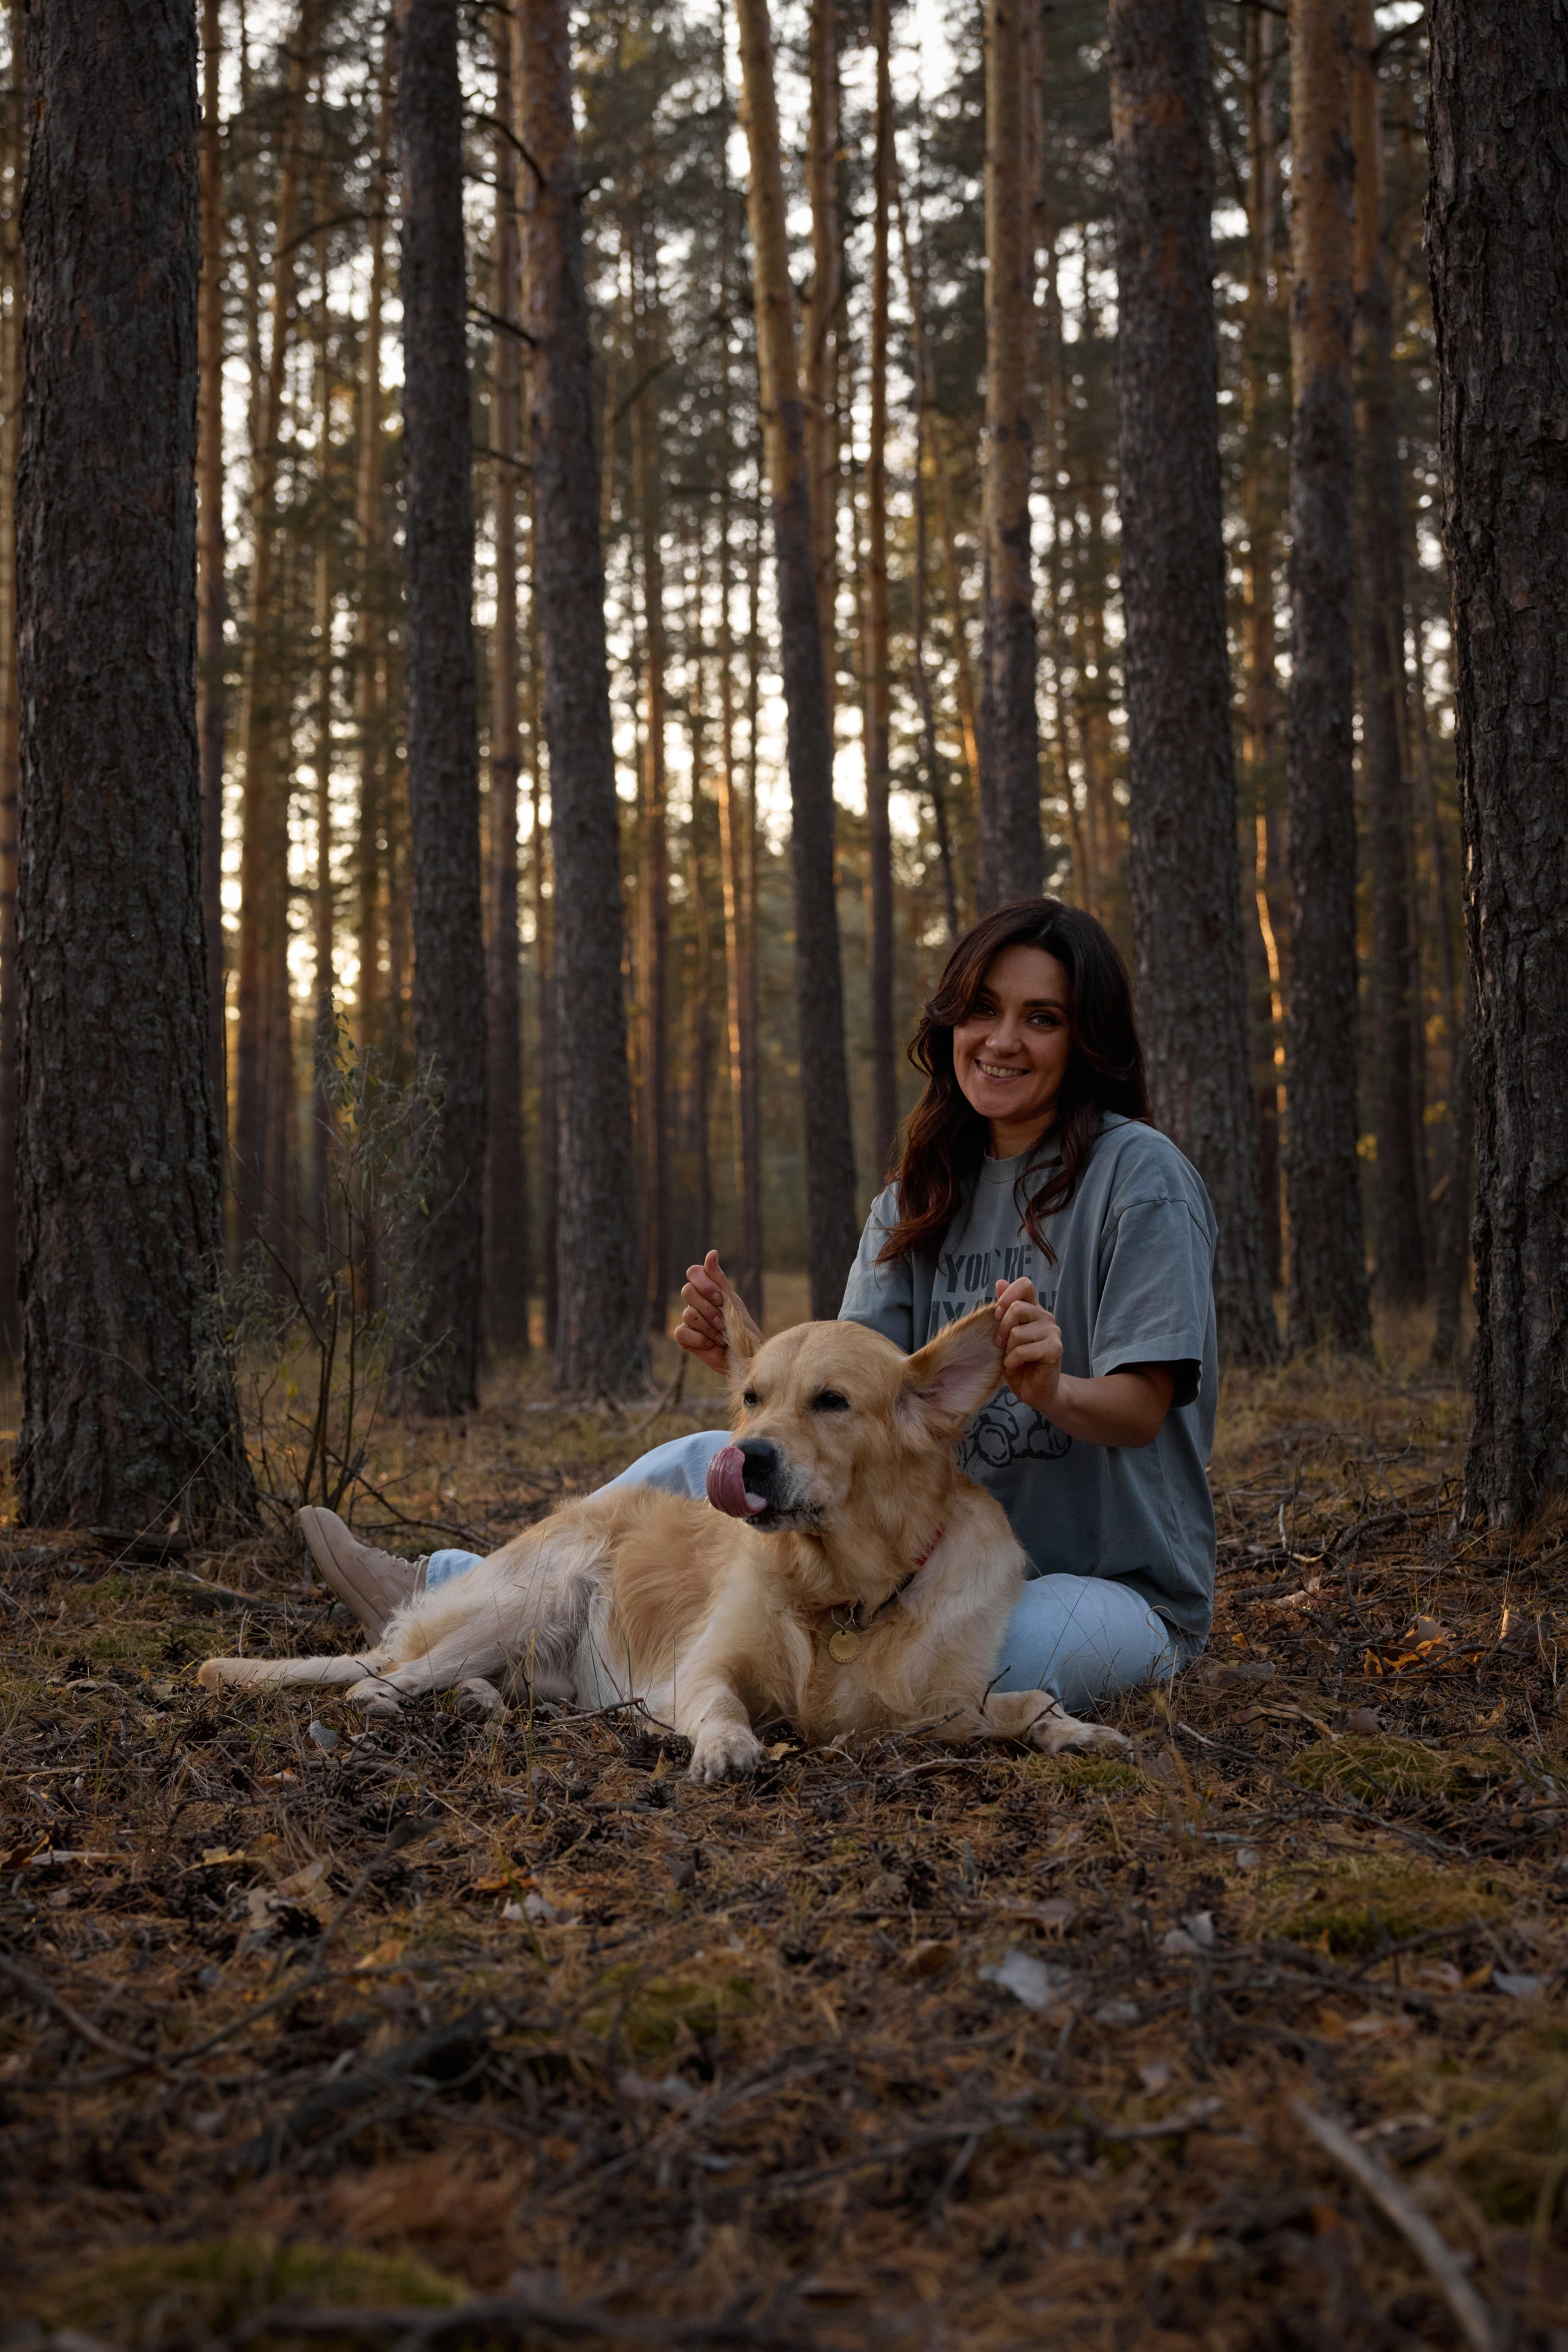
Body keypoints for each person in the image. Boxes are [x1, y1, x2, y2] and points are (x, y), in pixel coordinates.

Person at [302, 898, 1219, 1714]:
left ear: (1084, 1038)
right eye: (981, 1010)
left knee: (931, 1682)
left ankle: (573, 1658)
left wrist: (1051, 1388)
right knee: (703, 1457)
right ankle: (460, 1592)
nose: (1002, 1040)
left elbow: (1141, 1413)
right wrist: (752, 1375)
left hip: (1093, 1582)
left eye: (1041, 1018)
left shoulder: (1139, 1180)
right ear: (948, 1026)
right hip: (916, 1560)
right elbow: (853, 1399)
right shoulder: (917, 1198)